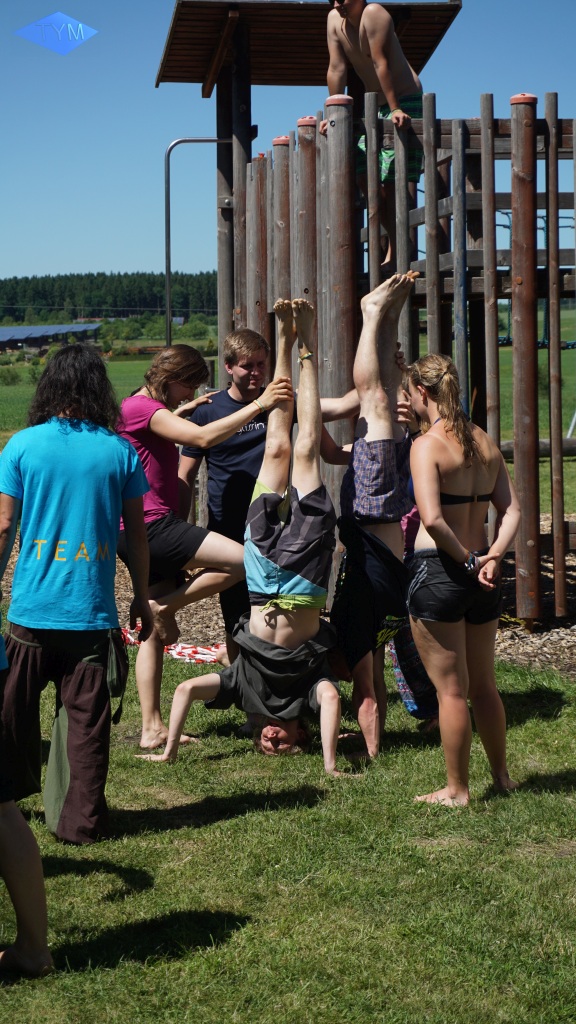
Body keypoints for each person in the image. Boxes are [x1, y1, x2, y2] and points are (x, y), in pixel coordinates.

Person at [140, 299, 349, 777]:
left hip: (258, 557)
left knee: (280, 444)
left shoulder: (242, 683)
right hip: (304, 569)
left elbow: (187, 690)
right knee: (304, 444)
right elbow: (332, 697)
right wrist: (330, 762)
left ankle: (288, 338)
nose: (274, 739)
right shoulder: (309, 694)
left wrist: (170, 750)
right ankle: (303, 343)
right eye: (283, 743)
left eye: (266, 742)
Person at [0, 344, 153, 845]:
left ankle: (9, 805)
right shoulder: (119, 451)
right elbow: (137, 533)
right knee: (86, 724)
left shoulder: (22, 446)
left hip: (31, 611)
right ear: (97, 389)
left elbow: (3, 527)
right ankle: (79, 824)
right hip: (89, 613)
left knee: (12, 715)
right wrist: (141, 596)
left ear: (49, 386)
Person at [116, 344, 292, 749]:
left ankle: (151, 728)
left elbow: (151, 437)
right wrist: (259, 405)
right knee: (245, 561)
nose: (188, 394)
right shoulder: (143, 409)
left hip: (138, 528)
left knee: (153, 636)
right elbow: (200, 437)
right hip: (152, 525)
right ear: (171, 377)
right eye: (188, 386)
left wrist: (174, 415)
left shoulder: (140, 410)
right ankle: (166, 606)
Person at [178, 329, 357, 663]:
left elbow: (333, 446)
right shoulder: (208, 411)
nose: (257, 373)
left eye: (262, 364)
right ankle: (240, 679)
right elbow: (185, 474)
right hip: (227, 523)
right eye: (248, 366)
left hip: (278, 524)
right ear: (229, 367)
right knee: (234, 610)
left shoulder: (284, 401)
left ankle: (288, 672)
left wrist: (378, 452)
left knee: (284, 603)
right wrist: (180, 526)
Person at [405, 353, 521, 805]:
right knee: (484, 685)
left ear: (423, 393)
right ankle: (503, 777)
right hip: (482, 576)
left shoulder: (427, 445)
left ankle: (457, 790)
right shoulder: (483, 441)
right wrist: (493, 555)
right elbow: (512, 510)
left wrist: (470, 560)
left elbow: (432, 520)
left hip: (441, 571)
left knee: (451, 690)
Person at [331, 273, 417, 759]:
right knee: (382, 396)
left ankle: (373, 314)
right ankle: (386, 314)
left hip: (372, 510)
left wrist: (370, 749)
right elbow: (373, 694)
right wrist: (373, 743)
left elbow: (366, 698)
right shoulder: (368, 643)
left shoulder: (358, 638)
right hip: (376, 510)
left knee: (376, 399)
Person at [321, 0, 423, 270]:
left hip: (402, 97)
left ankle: (399, 248)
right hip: (375, 107)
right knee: (364, 175)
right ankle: (396, 240)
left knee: (390, 178)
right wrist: (333, 112)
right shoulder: (334, 20)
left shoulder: (374, 14)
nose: (337, 4)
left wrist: (396, 108)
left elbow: (380, 63)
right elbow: (336, 68)